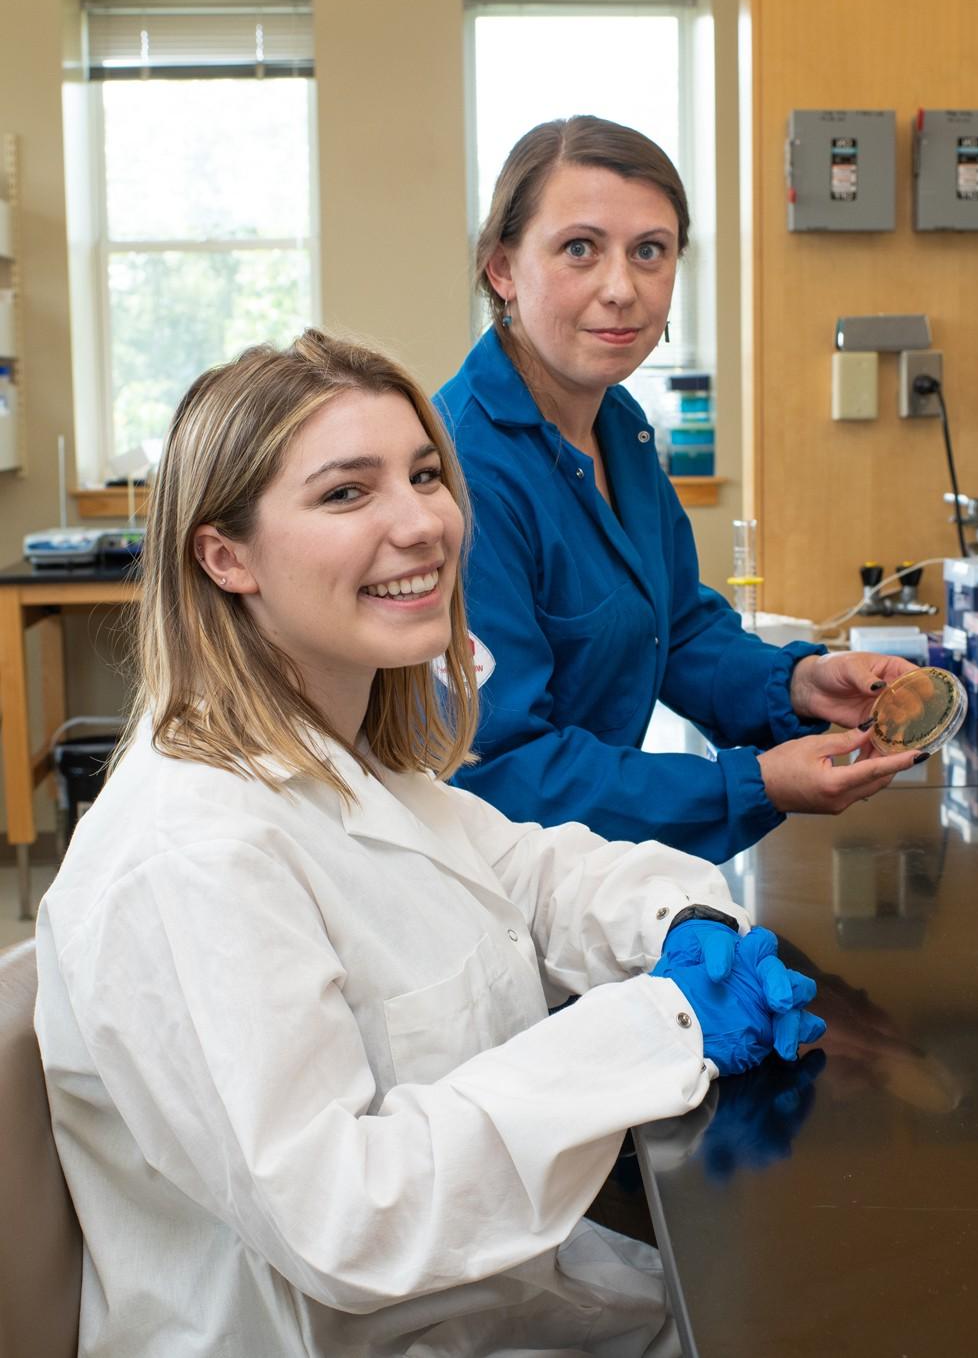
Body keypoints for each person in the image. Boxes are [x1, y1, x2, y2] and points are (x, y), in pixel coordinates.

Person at [35, 331, 825, 1358]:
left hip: (496, 1305)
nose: (422, 524)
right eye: (346, 494)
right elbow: (347, 1219)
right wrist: (661, 1025)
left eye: (422, 476)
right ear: (224, 555)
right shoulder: (194, 849)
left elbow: (529, 869)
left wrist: (680, 921)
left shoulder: (343, 751)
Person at [436, 115, 923, 864]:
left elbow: (678, 628)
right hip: (494, 890)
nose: (622, 289)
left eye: (650, 252)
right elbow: (503, 770)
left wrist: (802, 683)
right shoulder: (467, 467)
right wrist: (747, 784)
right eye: (579, 249)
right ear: (503, 268)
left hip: (586, 877)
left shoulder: (617, 423)